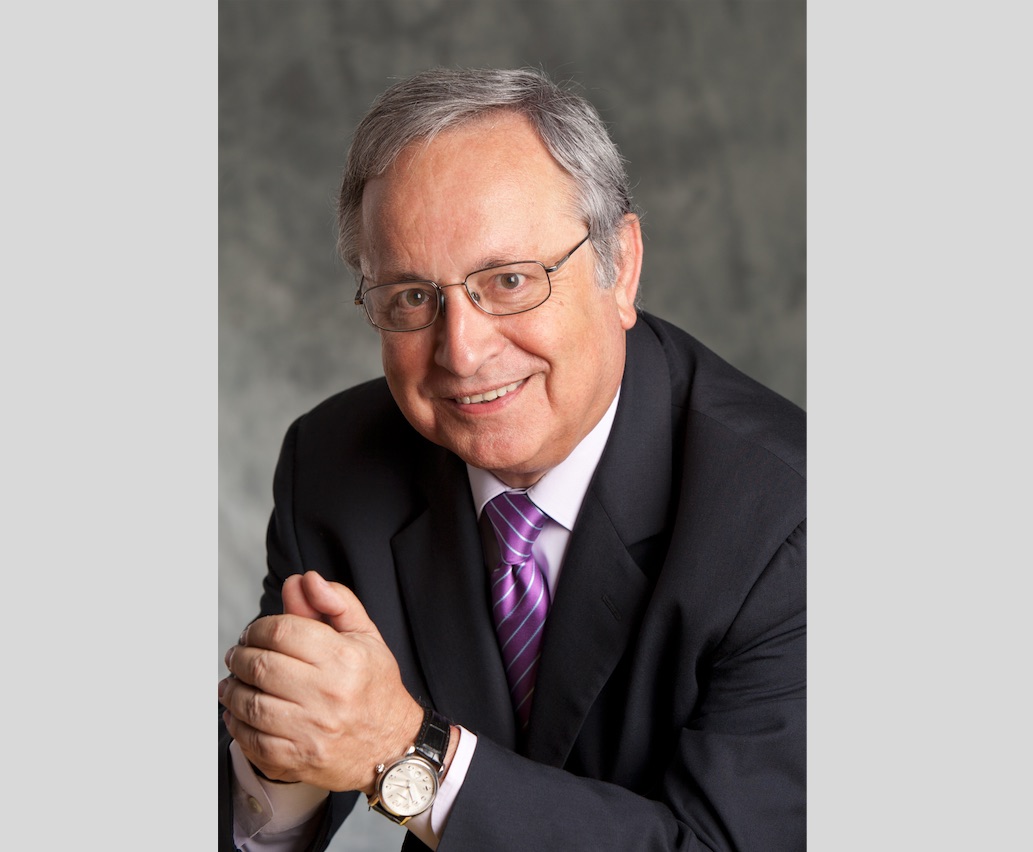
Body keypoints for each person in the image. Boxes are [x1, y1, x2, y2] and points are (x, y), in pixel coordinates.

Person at [219, 66, 805, 852]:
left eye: (509, 281)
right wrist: (281, 752)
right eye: (411, 296)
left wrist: (404, 753)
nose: (461, 352)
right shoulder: (331, 466)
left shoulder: (787, 521)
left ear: (621, 266)